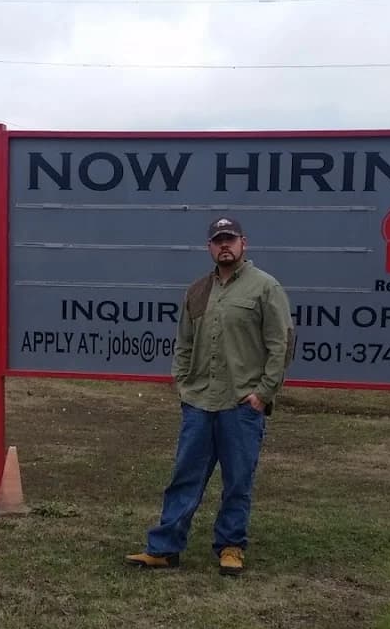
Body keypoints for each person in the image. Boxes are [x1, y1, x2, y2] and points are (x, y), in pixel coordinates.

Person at [125, 216, 294, 576]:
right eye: (218, 241)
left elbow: (281, 345)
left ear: (244, 243)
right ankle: (165, 548)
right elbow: (184, 342)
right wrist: (183, 383)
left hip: (241, 404)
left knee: (237, 481)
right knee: (184, 477)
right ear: (210, 247)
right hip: (199, 402)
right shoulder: (197, 290)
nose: (224, 246)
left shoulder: (265, 287)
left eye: (230, 239)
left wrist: (263, 394)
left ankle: (230, 547)